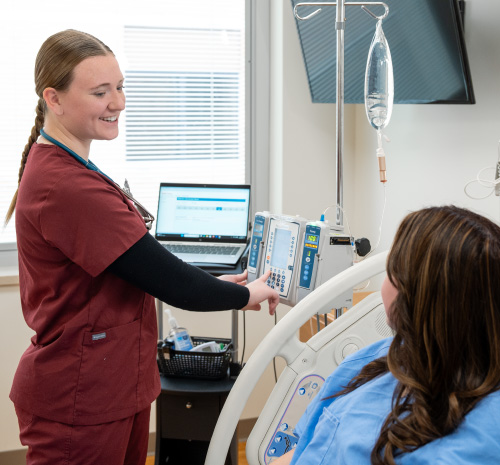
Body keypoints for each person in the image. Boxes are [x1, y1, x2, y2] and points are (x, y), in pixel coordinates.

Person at [5, 29, 279, 465]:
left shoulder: (73, 167)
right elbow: (175, 284)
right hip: (81, 395)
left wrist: (225, 285)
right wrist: (245, 294)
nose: (118, 103)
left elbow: (137, 268)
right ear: (53, 98)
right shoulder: (67, 185)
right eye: (100, 92)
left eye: (120, 87)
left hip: (112, 384)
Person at [273, 205, 500, 465]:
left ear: (420, 298)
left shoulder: (475, 441)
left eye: (393, 271)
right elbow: (301, 450)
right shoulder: (373, 361)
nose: (386, 282)